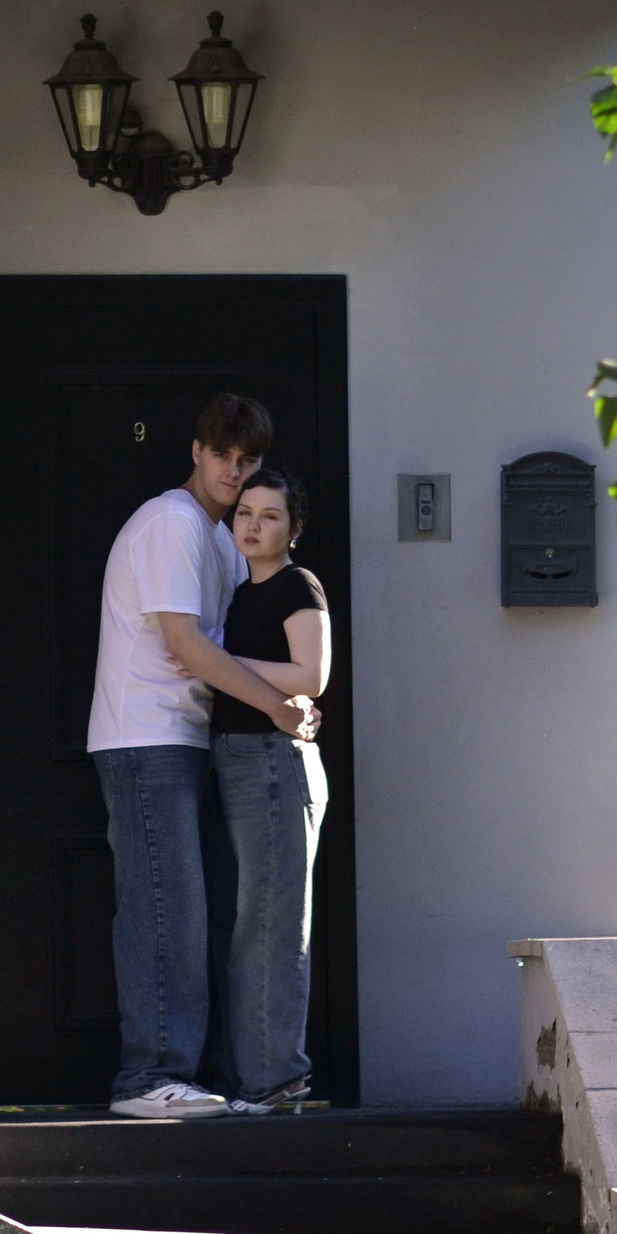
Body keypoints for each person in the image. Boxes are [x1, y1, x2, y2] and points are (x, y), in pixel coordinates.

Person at [87, 393, 314, 1119]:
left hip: (191, 737)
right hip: (143, 736)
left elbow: (228, 651)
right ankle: (148, 1079)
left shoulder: (220, 538)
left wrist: (291, 692)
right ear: (196, 451)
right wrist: (278, 704)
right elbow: (186, 646)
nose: (233, 471)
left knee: (199, 909)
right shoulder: (171, 523)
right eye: (222, 455)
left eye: (248, 460)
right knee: (165, 907)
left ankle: (196, 1071)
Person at [206, 468, 329, 1114]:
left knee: (272, 924)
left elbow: (312, 675)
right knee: (247, 920)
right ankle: (258, 1077)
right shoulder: (238, 592)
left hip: (275, 764)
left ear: (293, 527)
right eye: (245, 513)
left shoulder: (296, 584)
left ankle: (276, 1080)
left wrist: (218, 662)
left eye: (270, 515)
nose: (253, 525)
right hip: (240, 764)